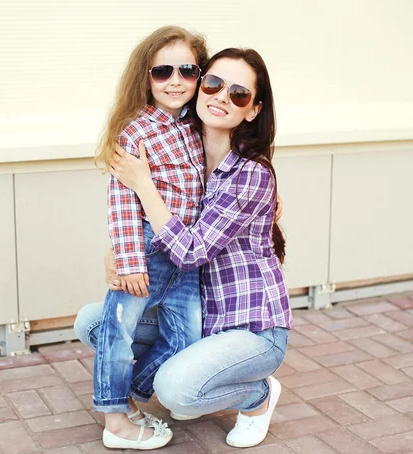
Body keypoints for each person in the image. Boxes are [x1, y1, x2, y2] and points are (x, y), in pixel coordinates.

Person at [107, 47, 291, 449]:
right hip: (199, 315)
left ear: (253, 109)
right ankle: (170, 381)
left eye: (239, 94)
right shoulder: (179, 149)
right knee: (96, 321)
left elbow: (189, 252)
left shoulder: (251, 174)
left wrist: (145, 186)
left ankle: (257, 395)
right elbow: (129, 211)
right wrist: (122, 254)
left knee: (178, 394)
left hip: (252, 328)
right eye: (213, 83)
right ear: (198, 85)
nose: (222, 96)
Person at [76, 26, 209, 450]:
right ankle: (114, 420)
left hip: (186, 253)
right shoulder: (136, 131)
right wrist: (129, 259)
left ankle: (131, 395)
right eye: (162, 71)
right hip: (149, 248)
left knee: (185, 340)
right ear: (145, 77)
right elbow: (121, 201)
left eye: (187, 70)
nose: (175, 80)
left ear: (200, 75)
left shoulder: (195, 126)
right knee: (119, 331)